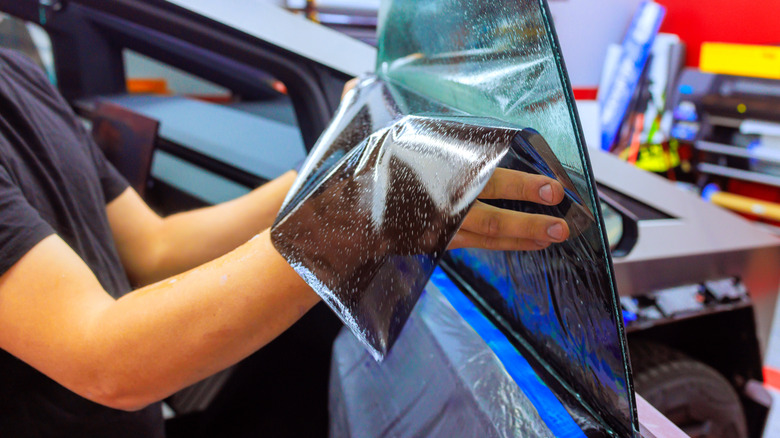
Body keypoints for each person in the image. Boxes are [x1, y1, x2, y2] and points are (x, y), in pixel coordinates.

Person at [0, 49, 570, 436]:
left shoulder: (19, 75)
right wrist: (359, 212)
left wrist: (341, 165)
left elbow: (155, 246)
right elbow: (103, 362)